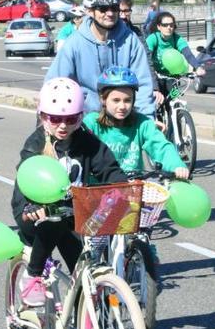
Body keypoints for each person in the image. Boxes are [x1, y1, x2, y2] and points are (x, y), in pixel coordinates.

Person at [12, 77, 128, 305]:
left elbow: (109, 169)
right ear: (43, 116)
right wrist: (32, 205)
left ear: (80, 117)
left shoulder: (87, 142)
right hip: (33, 211)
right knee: (53, 221)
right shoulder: (35, 143)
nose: (63, 125)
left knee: (82, 273)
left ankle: (83, 319)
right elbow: (27, 177)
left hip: (72, 212)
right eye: (55, 119)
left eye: (70, 119)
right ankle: (33, 275)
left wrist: (123, 189)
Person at [45, 0, 156, 119]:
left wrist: (147, 121)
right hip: (86, 120)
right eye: (103, 9)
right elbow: (55, 83)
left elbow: (143, 84)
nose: (110, 13)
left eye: (114, 8)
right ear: (89, 11)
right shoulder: (74, 43)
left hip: (123, 119)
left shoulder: (131, 40)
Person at [84, 66, 189, 179]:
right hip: (98, 190)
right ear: (103, 99)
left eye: (127, 100)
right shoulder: (92, 123)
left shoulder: (142, 123)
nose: (122, 106)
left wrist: (176, 166)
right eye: (116, 100)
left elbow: (161, 146)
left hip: (133, 189)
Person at [146, 10, 205, 112]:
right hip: (156, 77)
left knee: (174, 101)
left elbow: (188, 54)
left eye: (171, 25)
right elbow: (146, 58)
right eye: (165, 25)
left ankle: (175, 120)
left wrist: (198, 67)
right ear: (159, 27)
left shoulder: (177, 39)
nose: (169, 28)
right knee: (156, 106)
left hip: (172, 77)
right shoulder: (153, 38)